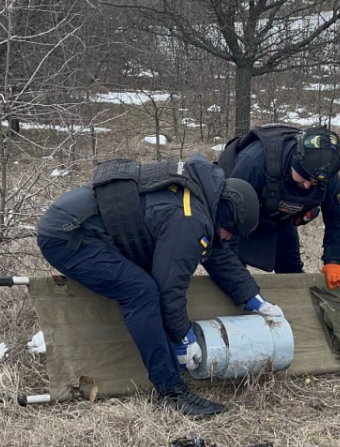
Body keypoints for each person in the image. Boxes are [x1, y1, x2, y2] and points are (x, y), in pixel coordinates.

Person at [35, 154, 283, 417]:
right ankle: (172, 391)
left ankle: (170, 382)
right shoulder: (190, 219)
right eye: (231, 232)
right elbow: (169, 287)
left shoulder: (200, 197)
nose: (230, 238)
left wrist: (254, 299)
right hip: (68, 236)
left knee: (144, 287)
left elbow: (216, 253)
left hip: (84, 227)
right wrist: (183, 340)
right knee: (140, 291)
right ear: (226, 215)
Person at [216, 124, 340, 289]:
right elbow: (226, 218)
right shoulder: (254, 163)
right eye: (304, 177)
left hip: (281, 218)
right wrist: (230, 272)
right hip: (239, 215)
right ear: (295, 160)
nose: (308, 185)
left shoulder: (326, 175)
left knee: (291, 269)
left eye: (314, 181)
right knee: (233, 273)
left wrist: (334, 260)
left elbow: (339, 218)